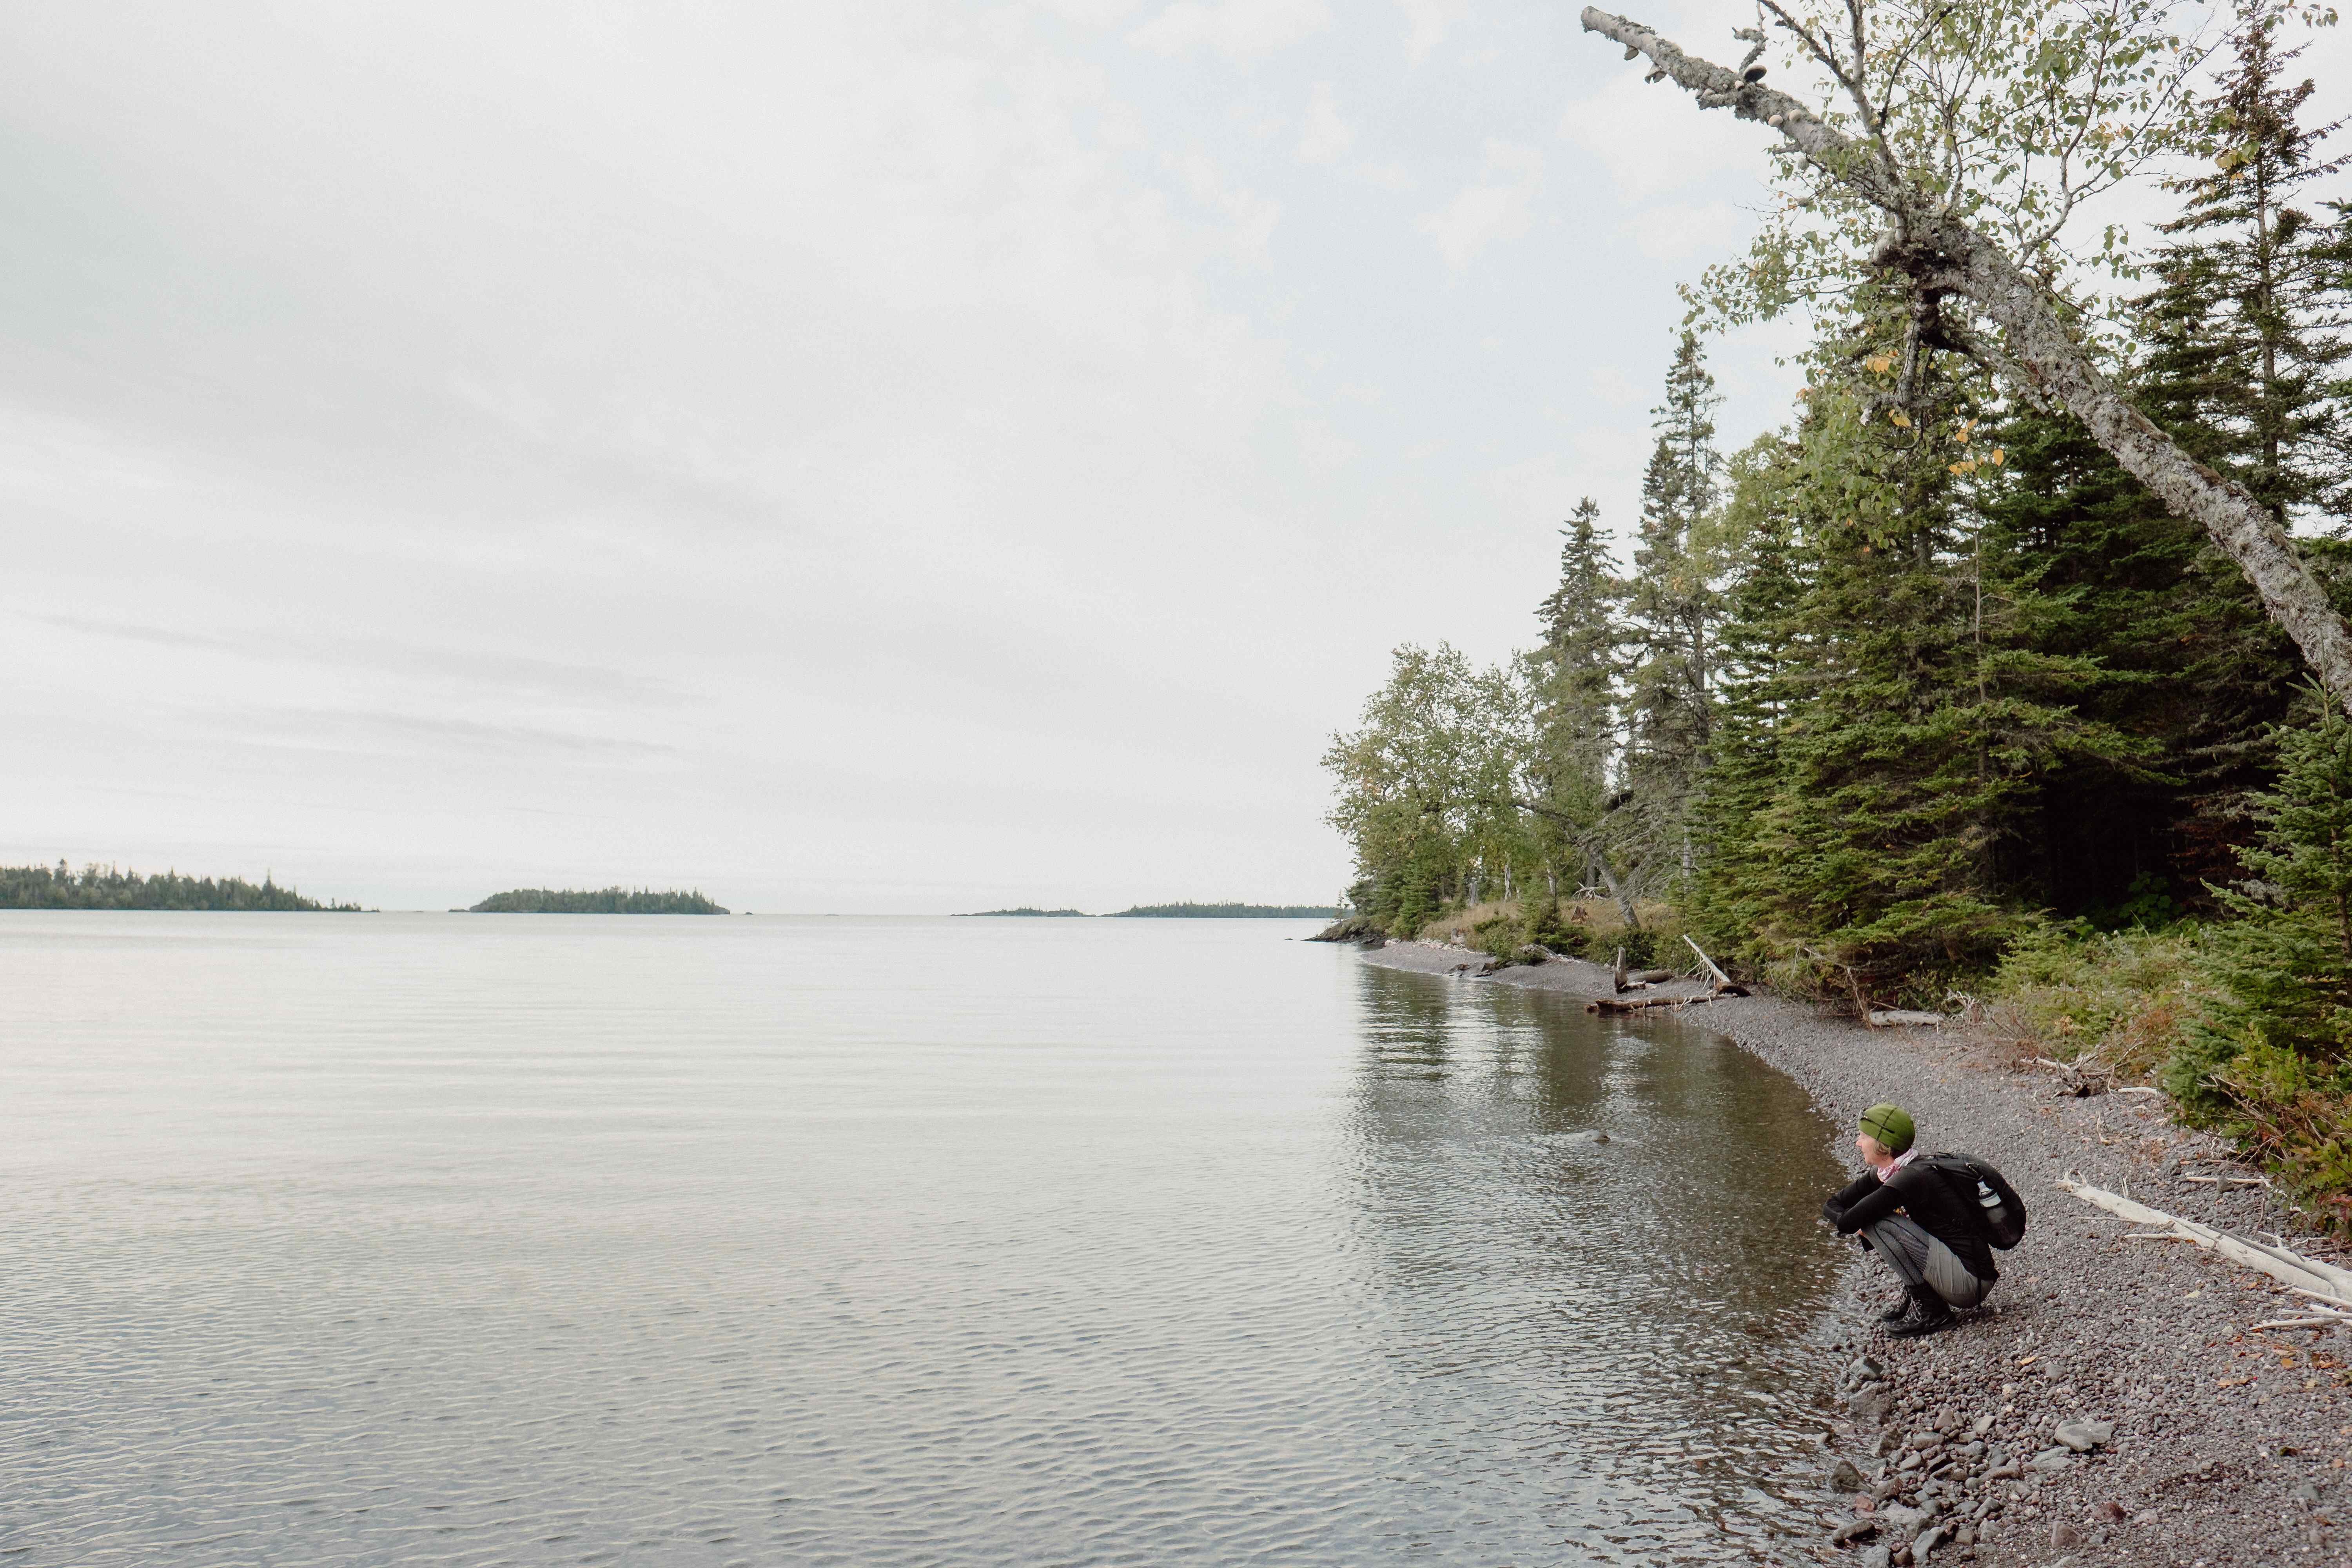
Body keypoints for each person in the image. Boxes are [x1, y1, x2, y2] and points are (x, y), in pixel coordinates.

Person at [1820, 1103, 1996, 1338]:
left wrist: (1859, 1225)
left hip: (1968, 1283)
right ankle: (1920, 1300)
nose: (1858, 1143)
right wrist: (1852, 1220)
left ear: (1883, 1145)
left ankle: (1932, 1311)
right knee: (1871, 1218)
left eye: (1864, 1137)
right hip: (1962, 1272)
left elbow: (1846, 1222)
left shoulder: (1909, 1179)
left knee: (1876, 1222)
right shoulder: (1894, 1170)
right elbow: (1833, 1204)